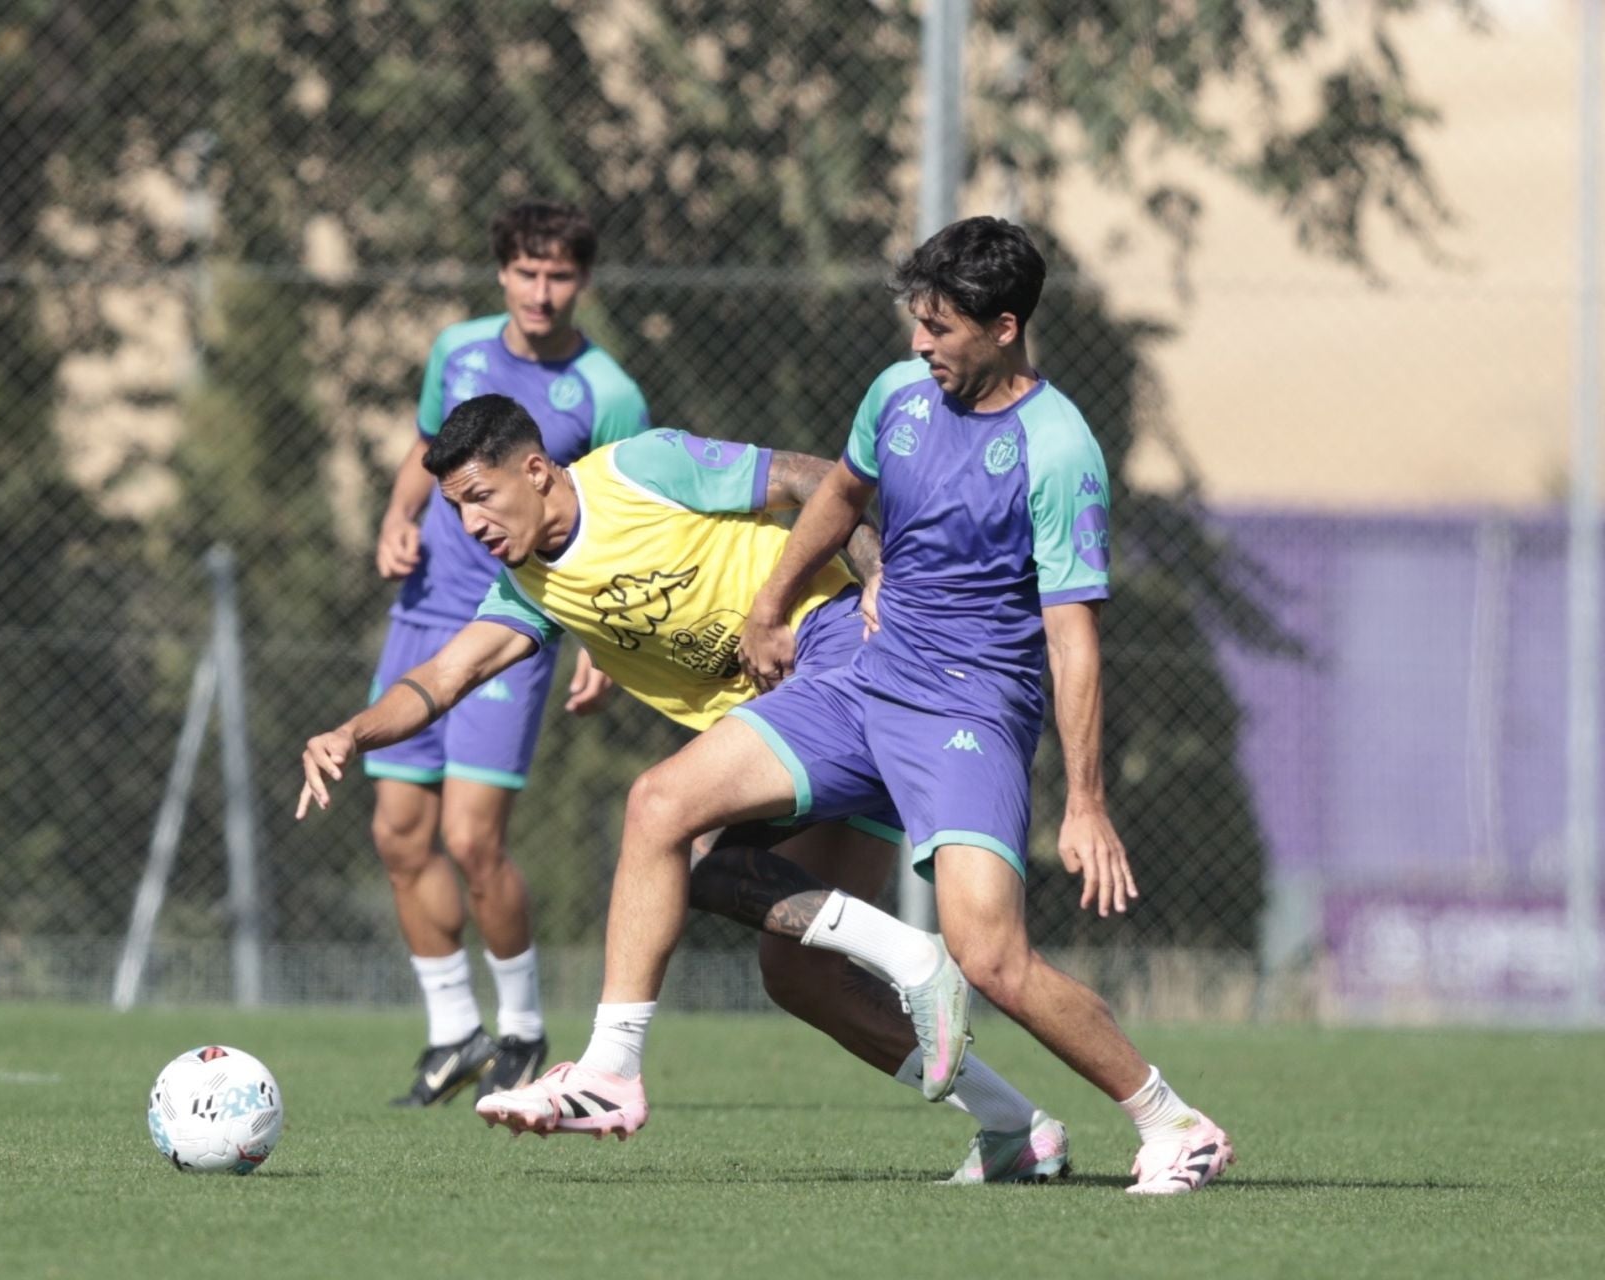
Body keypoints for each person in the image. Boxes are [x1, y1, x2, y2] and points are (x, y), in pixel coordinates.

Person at [476, 217, 1234, 1195]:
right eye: (917, 322)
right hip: (861, 678)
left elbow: (1073, 635)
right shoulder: (898, 396)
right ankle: (613, 1072)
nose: (921, 344)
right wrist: (769, 607)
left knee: (992, 955)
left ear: (1005, 328)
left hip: (967, 708)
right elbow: (835, 496)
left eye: (942, 328)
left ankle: (1176, 1122)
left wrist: (1084, 799)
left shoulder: (1057, 448)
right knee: (661, 807)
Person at [299, 394, 1072, 1184]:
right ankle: (1015, 1124)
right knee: (790, 966)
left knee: (661, 808)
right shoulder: (528, 587)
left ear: (534, 471)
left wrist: (881, 583)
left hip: (840, 654)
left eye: (480, 498)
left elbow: (814, 480)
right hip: (789, 729)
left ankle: (613, 1068)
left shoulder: (642, 468)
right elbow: (443, 675)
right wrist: (351, 733)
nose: (471, 527)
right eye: (456, 509)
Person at [364, 201, 650, 1107]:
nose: (541, 290)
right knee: (398, 833)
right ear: (502, 275)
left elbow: (625, 516)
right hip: (422, 614)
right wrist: (398, 515)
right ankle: (455, 1033)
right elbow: (426, 451)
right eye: (526, 272)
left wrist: (603, 639)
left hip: (518, 622)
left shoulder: (607, 390)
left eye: (559, 274)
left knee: (470, 837)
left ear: (582, 282)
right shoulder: (457, 350)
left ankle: (524, 1028)